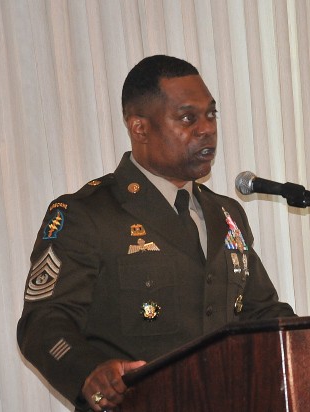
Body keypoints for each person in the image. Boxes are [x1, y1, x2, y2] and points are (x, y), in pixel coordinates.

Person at [17, 55, 295, 411]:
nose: (206, 128)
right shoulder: (87, 213)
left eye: (211, 114)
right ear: (140, 128)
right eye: (187, 117)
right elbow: (42, 323)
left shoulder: (226, 213)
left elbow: (261, 313)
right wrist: (89, 372)